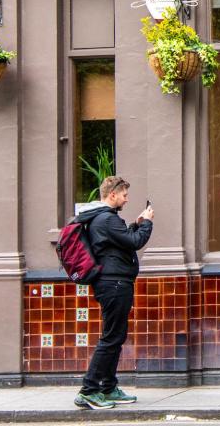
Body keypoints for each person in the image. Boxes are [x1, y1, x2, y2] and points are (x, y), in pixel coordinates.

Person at [73, 176, 153, 410]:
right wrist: (146, 223)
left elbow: (123, 241)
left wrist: (136, 223)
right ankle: (89, 391)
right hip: (114, 283)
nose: (126, 199)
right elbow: (135, 242)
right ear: (112, 195)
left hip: (113, 282)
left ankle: (107, 387)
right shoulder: (106, 219)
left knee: (115, 336)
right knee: (111, 337)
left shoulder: (104, 219)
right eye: (124, 195)